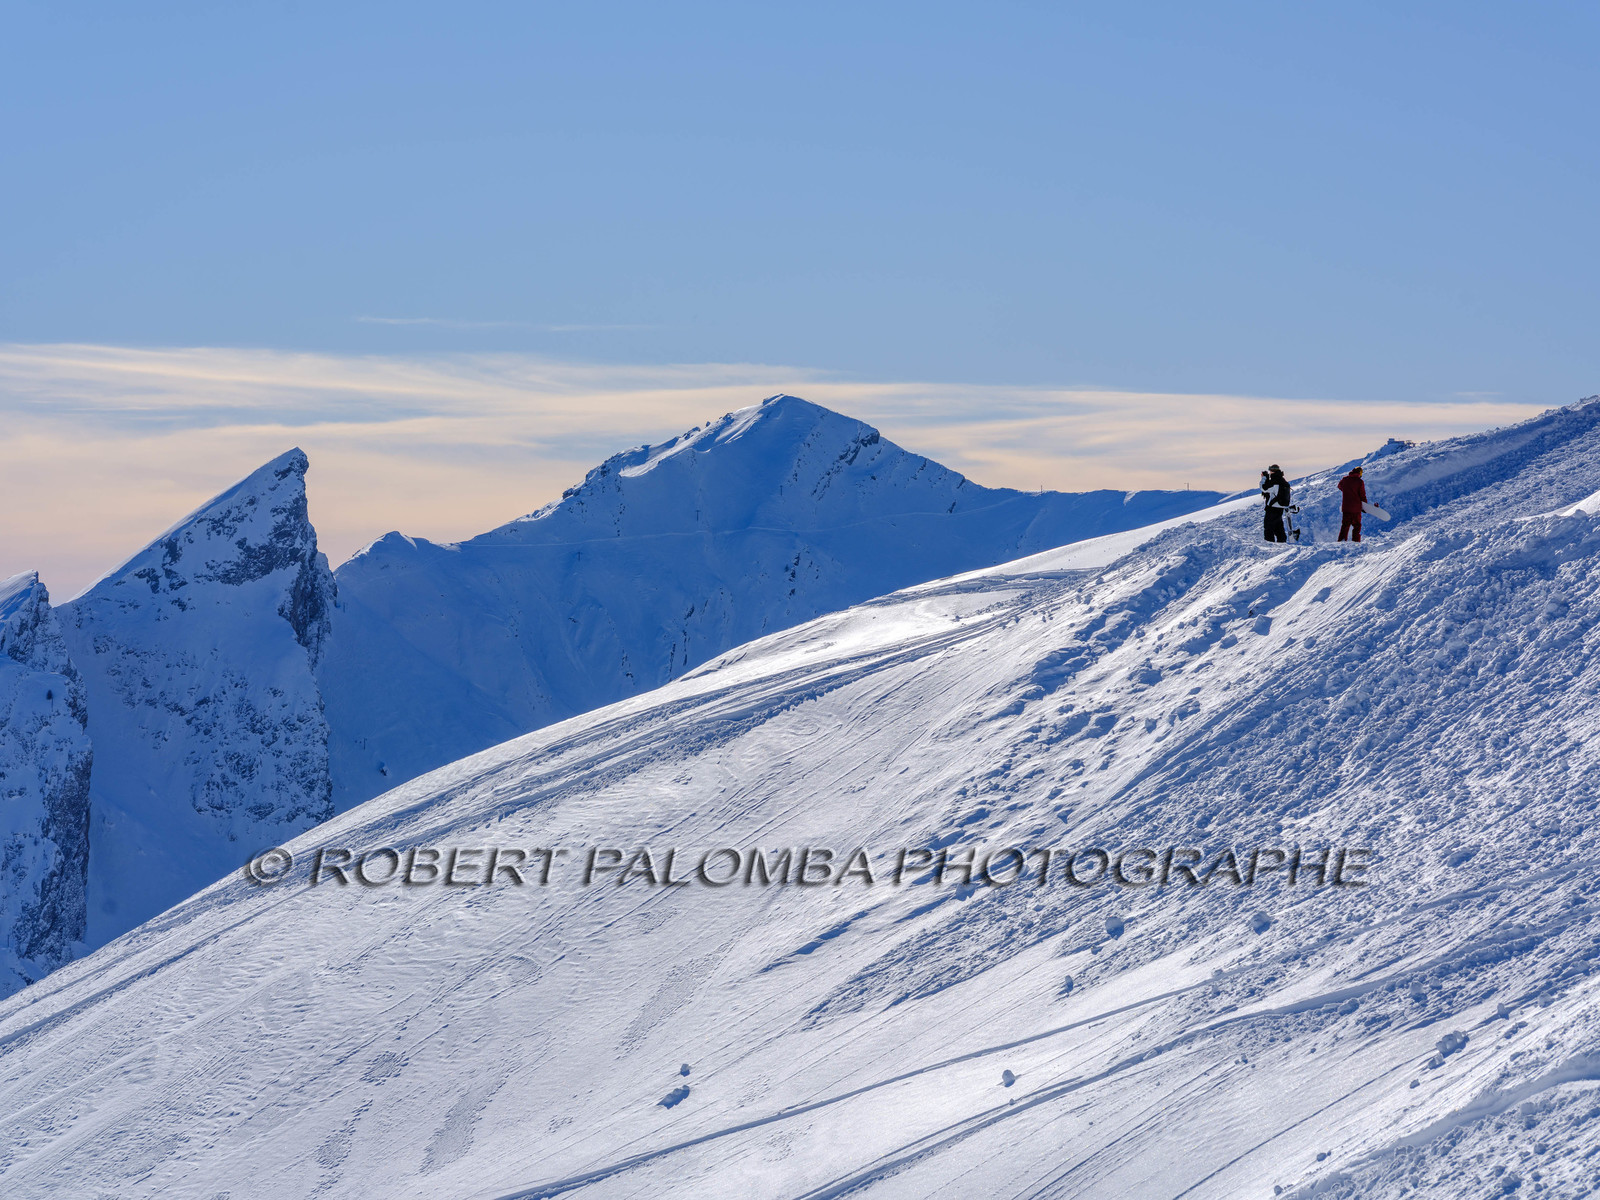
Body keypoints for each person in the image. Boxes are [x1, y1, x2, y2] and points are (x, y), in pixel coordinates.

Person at [1260, 464, 1291, 542]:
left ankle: (1270, 544)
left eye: (1270, 470)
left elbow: (1263, 488)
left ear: (1272, 471)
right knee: (1278, 527)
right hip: (1280, 507)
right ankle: (1282, 543)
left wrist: (1264, 478)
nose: (1269, 472)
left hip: (1273, 507)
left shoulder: (1275, 481)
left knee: (1268, 527)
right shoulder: (1282, 480)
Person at [1337, 466, 1367, 542]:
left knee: (1345, 526)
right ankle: (1356, 542)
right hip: (1356, 508)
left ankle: (1341, 541)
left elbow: (1339, 486)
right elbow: (1362, 495)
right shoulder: (1359, 482)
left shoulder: (1345, 479)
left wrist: (1346, 491)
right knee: (1357, 526)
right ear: (1360, 473)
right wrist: (1365, 506)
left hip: (1346, 507)